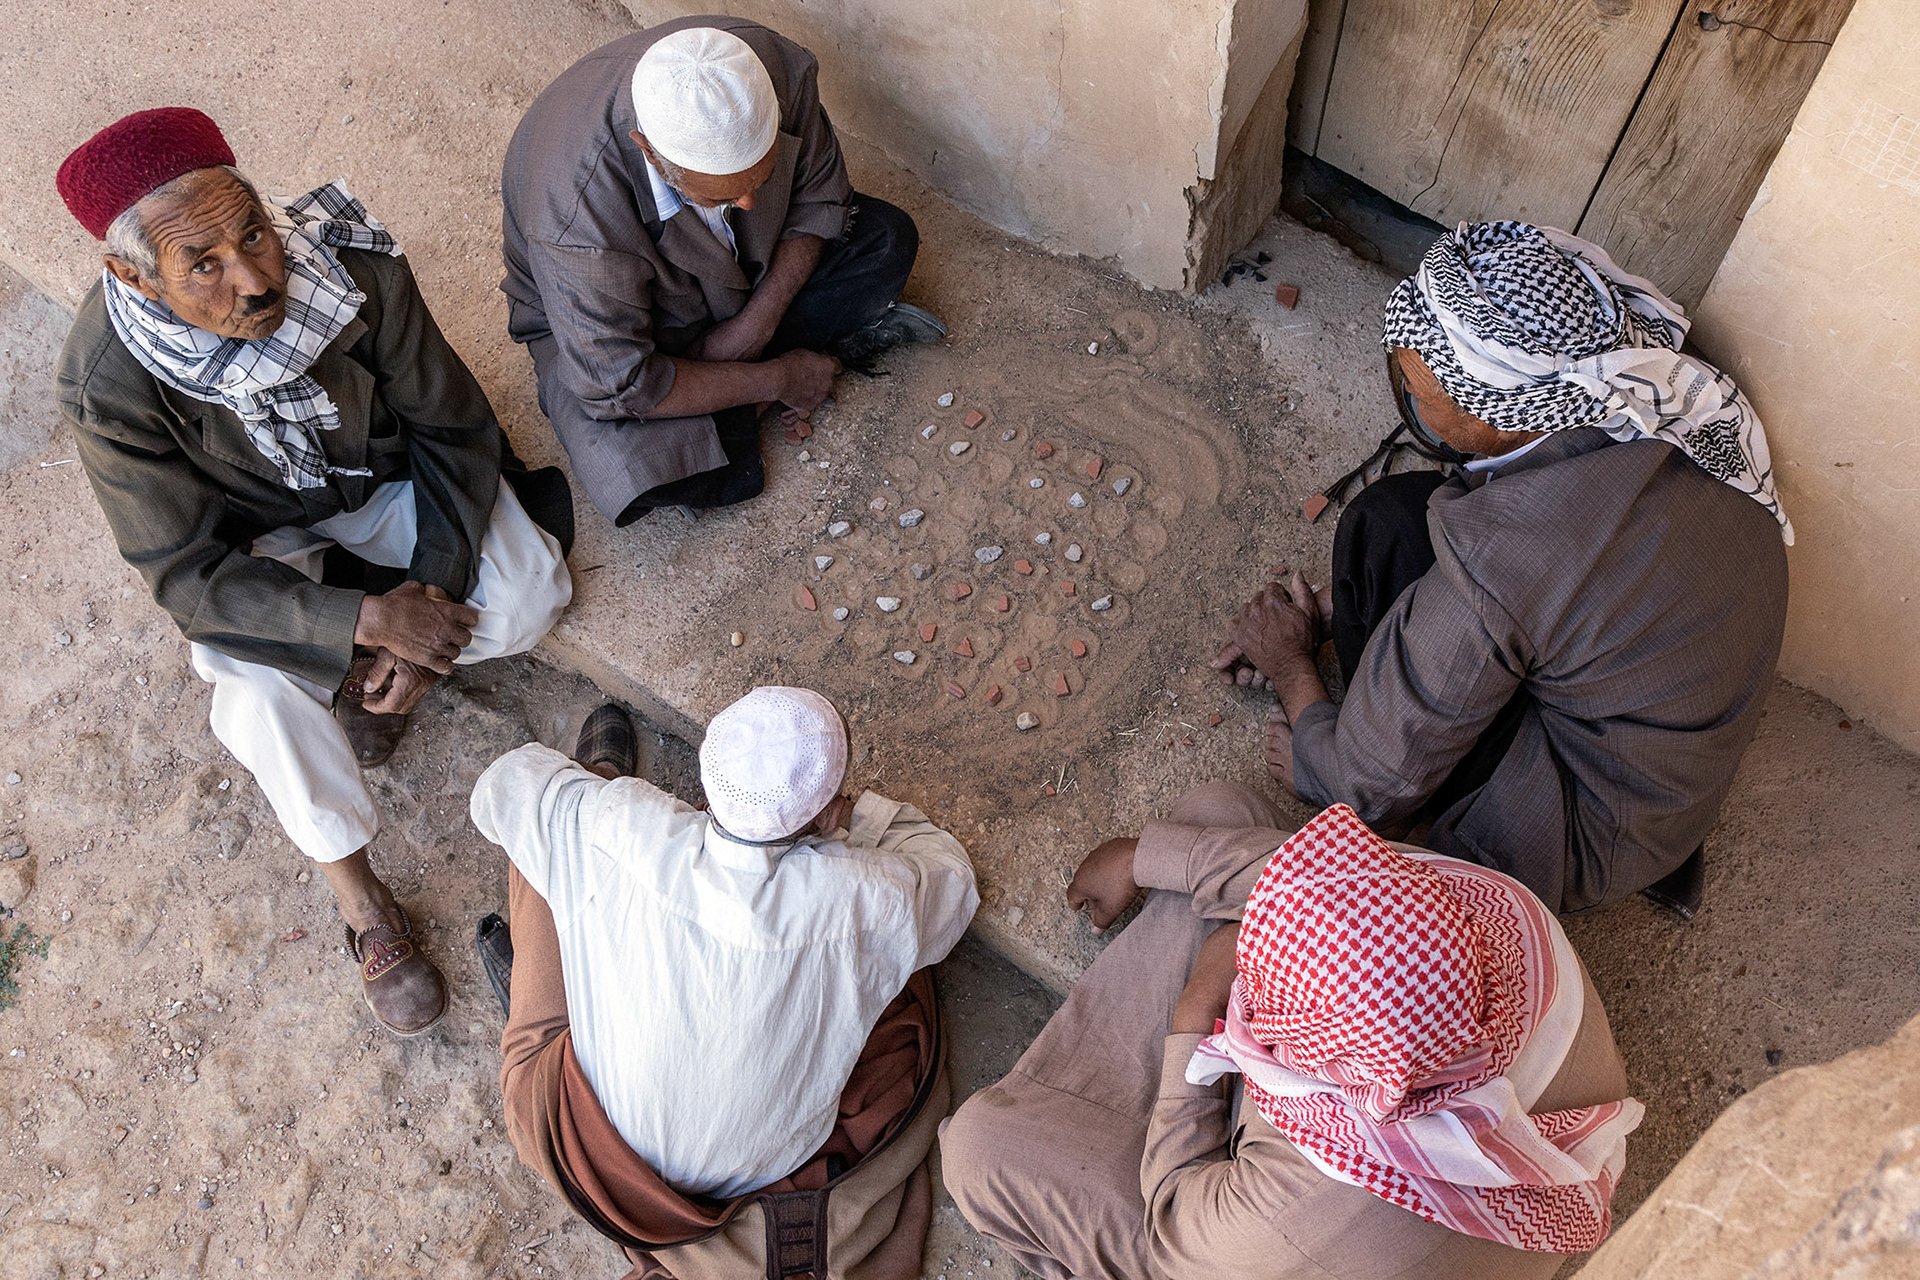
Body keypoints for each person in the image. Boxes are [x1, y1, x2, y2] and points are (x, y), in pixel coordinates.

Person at [54, 108, 574, 1036]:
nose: (255, 279)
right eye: (202, 264)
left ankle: (377, 683)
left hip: (376, 480)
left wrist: (428, 602)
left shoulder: (349, 264)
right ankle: (361, 899)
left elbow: (452, 428)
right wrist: (365, 622)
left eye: (252, 233)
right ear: (134, 276)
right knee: (251, 697)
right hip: (258, 544)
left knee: (532, 595)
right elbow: (187, 577)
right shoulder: (108, 383)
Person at [1216, 221, 1790, 915]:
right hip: (1667, 733)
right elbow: (1552, 589)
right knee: (1391, 522)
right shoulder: (1657, 390)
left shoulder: (1505, 556)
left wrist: (1291, 670)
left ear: (1502, 414)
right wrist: (1346, 611)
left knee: (1383, 571)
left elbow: (1365, 788)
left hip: (1592, 819)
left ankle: (1427, 827)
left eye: (1420, 391)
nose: (1407, 396)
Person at [942, 789, 1641, 1280]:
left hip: (1281, 1242)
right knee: (1219, 816)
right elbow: (1322, 884)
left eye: (1263, 994)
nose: (1250, 975)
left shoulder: (1287, 1225)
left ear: (1332, 1066)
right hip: (1356, 1158)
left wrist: (1197, 1011)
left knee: (980, 1151)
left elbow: (1177, 1224)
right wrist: (1142, 858)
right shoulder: (1486, 915)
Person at [469, 688, 978, 1280]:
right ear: (826, 815)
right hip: (746, 1177)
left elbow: (501, 788)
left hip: (592, 1146)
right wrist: (854, 826)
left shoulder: (625, 823)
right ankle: (550, 992)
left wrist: (601, 788)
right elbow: (952, 878)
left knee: (548, 834)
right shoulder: (866, 897)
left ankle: (542, 987)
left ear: (709, 784)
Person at [501, 17, 946, 526]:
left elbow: (821, 200)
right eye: (721, 194)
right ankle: (790, 369)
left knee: (887, 240)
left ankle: (722, 402)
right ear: (650, 152)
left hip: (747, 268)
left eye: (761, 174)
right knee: (632, 469)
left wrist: (751, 329)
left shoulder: (770, 70)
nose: (750, 201)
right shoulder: (575, 223)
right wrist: (777, 379)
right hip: (632, 323)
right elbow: (620, 381)